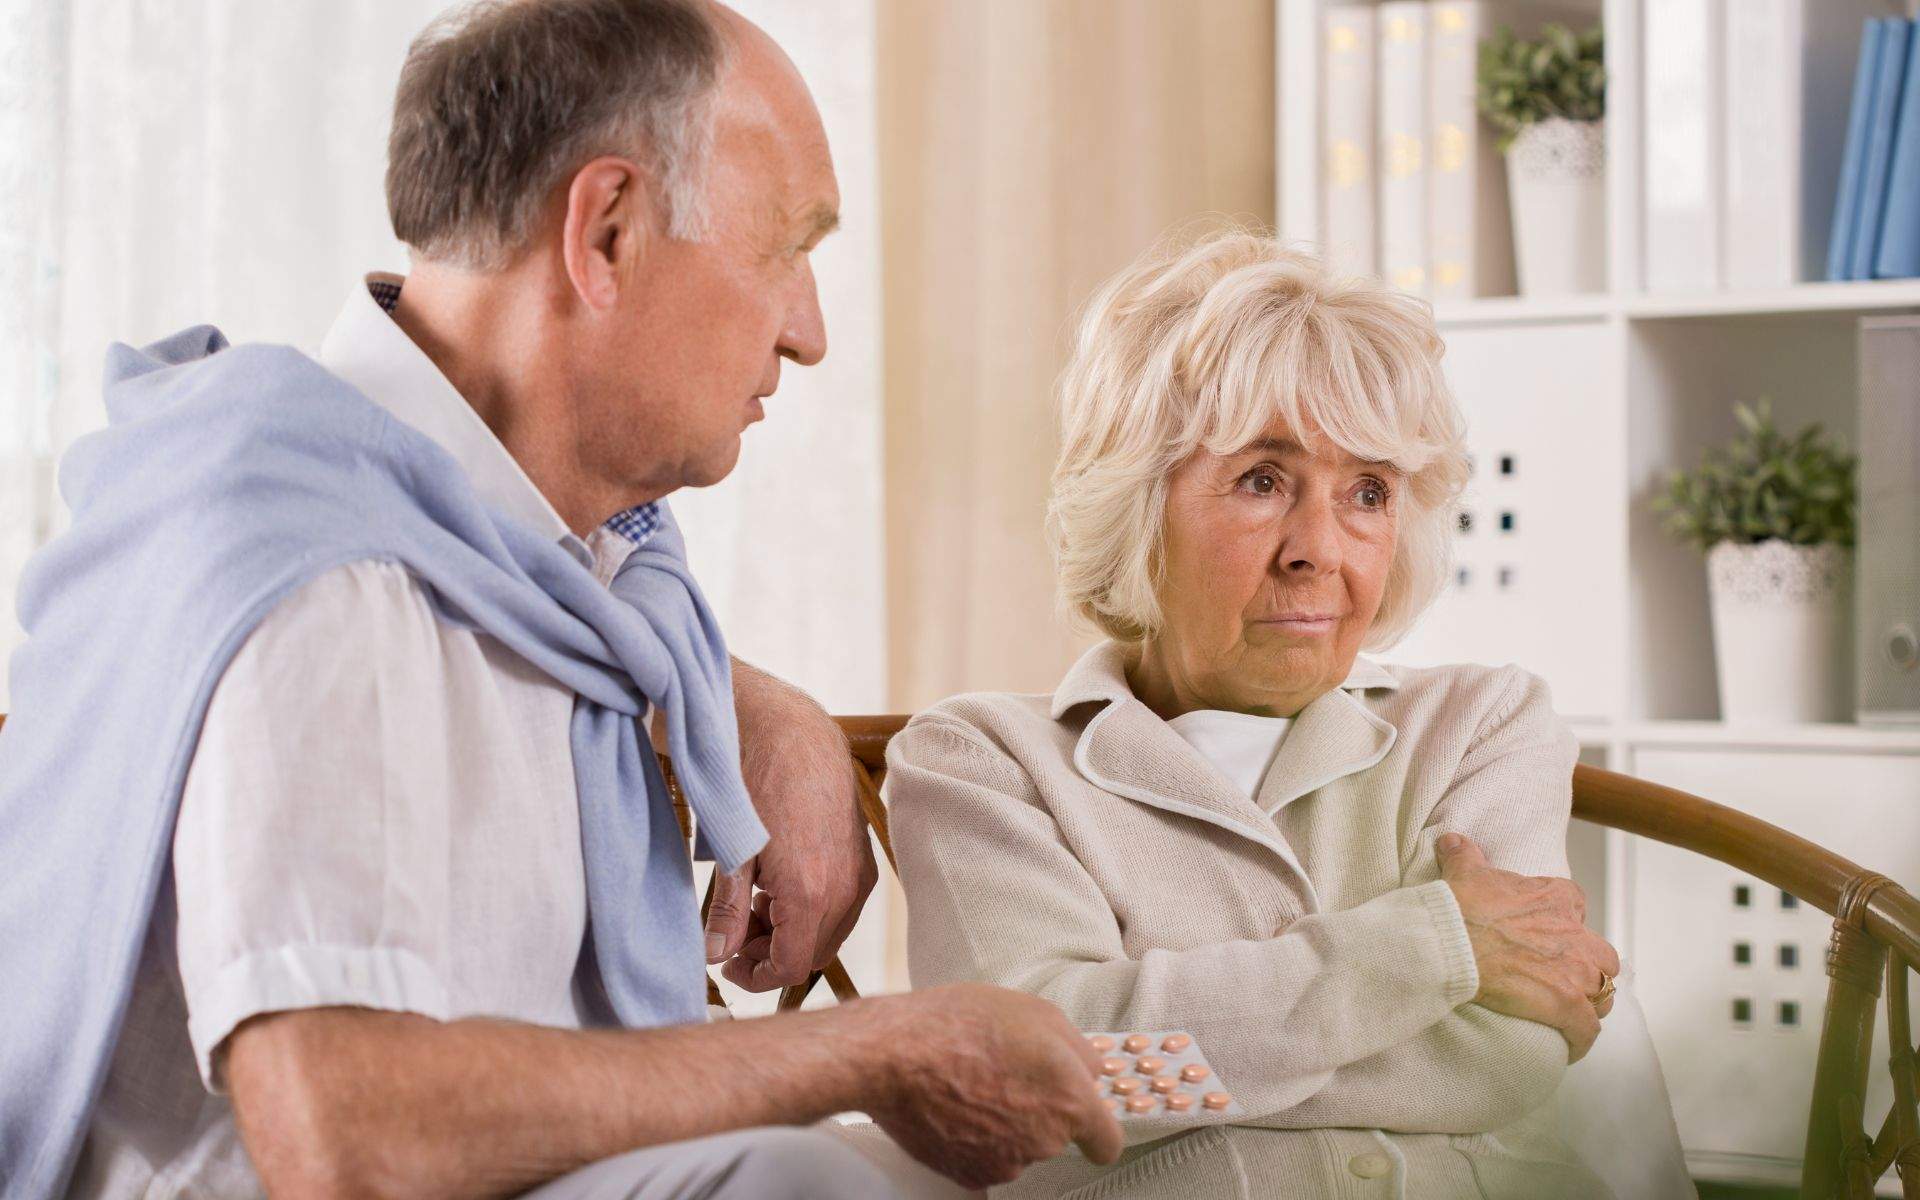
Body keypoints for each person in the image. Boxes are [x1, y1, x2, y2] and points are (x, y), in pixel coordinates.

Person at [0, 3, 1120, 1198]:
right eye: (787, 247)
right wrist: (864, 1049)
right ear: (610, 232)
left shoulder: (508, 557)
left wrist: (746, 700)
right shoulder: (324, 584)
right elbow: (345, 1143)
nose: (811, 332)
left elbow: (491, 606)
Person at [885, 231, 1628, 1199]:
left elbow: (1514, 1057)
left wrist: (1165, 1054)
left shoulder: (1485, 724)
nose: (1318, 549)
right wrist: (1434, 950)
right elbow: (1041, 1080)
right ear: (1137, 505)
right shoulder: (981, 763)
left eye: (1368, 491)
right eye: (1263, 481)